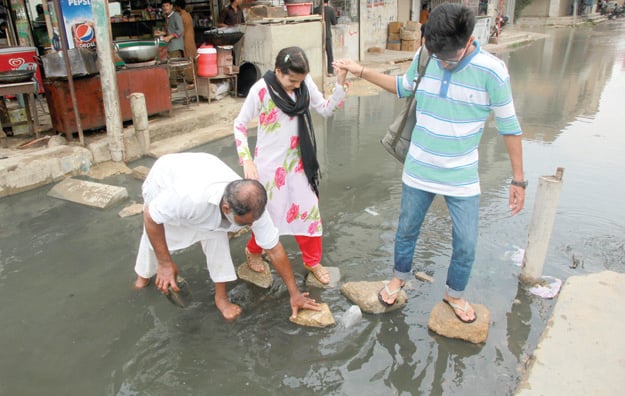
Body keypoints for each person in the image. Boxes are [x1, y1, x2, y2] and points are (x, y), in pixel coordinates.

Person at [334, 3, 525, 323]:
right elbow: (402, 87)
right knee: (406, 230)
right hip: (418, 169)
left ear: (468, 40)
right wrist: (360, 70)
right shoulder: (427, 57)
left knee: (466, 242)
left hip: (462, 176)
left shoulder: (492, 72)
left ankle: (455, 294)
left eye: (449, 57)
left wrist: (518, 179)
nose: (443, 63)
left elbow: (509, 127)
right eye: (437, 55)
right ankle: (397, 278)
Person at [133, 152, 320, 321]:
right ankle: (143, 275)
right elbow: (151, 217)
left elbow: (274, 249)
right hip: (166, 177)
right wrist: (165, 263)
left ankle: (220, 298)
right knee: (157, 232)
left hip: (205, 168)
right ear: (226, 209)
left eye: (252, 222)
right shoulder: (187, 198)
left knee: (217, 237)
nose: (250, 226)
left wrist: (294, 293)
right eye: (245, 223)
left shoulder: (253, 208)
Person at [232, 46, 348, 285]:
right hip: (268, 167)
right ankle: (253, 251)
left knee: (309, 212)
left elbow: (326, 110)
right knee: (267, 216)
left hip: (299, 165)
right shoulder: (261, 90)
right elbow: (240, 125)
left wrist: (340, 84)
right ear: (278, 71)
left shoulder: (304, 86)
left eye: (300, 81)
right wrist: (246, 159)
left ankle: (312, 260)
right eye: (291, 80)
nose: (297, 86)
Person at [154, 0, 191, 91]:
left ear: (171, 6)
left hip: (176, 45)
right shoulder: (168, 17)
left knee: (176, 66)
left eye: (167, 5)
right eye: (163, 6)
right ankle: (176, 86)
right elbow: (170, 30)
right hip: (171, 45)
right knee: (173, 65)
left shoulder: (176, 16)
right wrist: (162, 33)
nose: (165, 8)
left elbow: (180, 30)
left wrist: (169, 37)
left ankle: (188, 82)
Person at [314, 0, 337, 75]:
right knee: (329, 54)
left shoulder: (315, 10)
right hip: (327, 35)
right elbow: (334, 22)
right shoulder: (330, 10)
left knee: (317, 54)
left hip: (317, 36)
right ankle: (330, 72)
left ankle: (317, 72)